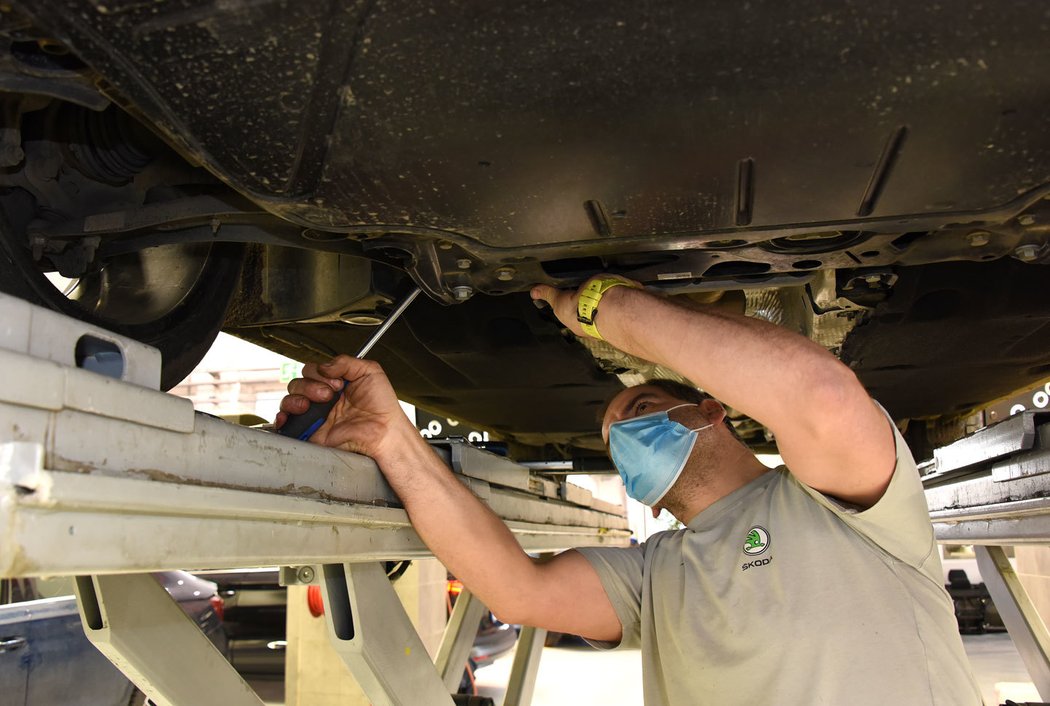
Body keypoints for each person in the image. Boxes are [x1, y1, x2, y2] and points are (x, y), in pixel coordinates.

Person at [278, 276, 981, 705]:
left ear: (711, 409)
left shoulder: (848, 505)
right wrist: (387, 436)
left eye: (641, 411)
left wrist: (600, 307)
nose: (625, 436)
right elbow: (520, 591)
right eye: (616, 439)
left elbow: (820, 396)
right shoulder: (658, 575)